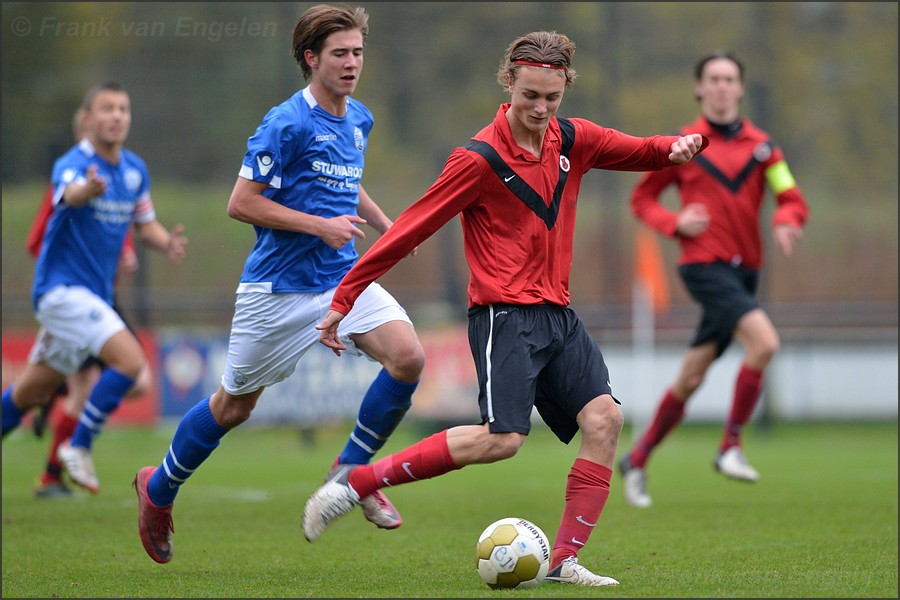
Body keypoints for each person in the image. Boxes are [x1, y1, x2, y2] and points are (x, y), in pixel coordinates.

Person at [300, 31, 706, 587]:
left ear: (565, 90)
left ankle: (563, 562)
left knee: (605, 419)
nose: (540, 109)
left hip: (558, 316)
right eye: (530, 96)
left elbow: (639, 150)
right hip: (504, 317)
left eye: (552, 98)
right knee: (503, 440)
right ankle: (355, 483)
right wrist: (345, 298)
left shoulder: (574, 139)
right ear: (508, 82)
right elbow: (409, 229)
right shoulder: (477, 159)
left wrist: (673, 148)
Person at [132, 4, 425, 565]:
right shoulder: (285, 122)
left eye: (358, 52)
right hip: (277, 291)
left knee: (408, 359)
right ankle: (158, 489)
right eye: (339, 53)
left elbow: (347, 183)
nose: (351, 63)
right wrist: (319, 225)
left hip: (340, 277)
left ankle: (348, 475)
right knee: (233, 407)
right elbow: (240, 203)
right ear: (310, 58)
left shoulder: (359, 119)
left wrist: (391, 229)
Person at [617, 51, 809, 508]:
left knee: (691, 375)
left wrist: (787, 218)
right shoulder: (683, 144)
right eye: (713, 79)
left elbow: (790, 195)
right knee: (765, 344)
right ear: (699, 88)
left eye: (729, 79)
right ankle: (730, 447)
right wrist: (675, 222)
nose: (722, 86)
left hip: (746, 275)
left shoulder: (764, 148)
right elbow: (642, 200)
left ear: (740, 88)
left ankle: (637, 458)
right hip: (703, 267)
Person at [1, 81, 188, 497]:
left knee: (32, 391)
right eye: (107, 108)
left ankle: (62, 453)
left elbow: (144, 223)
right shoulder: (75, 162)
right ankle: (78, 446)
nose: (117, 115)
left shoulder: (135, 169)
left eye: (123, 108)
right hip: (61, 291)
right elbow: (68, 193)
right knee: (131, 361)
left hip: (91, 299)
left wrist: (165, 242)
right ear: (87, 120)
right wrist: (87, 190)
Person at [25, 107, 153, 499]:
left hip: (102, 297)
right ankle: (57, 467)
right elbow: (38, 241)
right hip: (72, 299)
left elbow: (119, 231)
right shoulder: (68, 177)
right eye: (101, 116)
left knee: (134, 382)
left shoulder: (123, 176)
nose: (112, 122)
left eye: (121, 112)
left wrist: (130, 251)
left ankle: (58, 437)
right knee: (126, 371)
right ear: (85, 128)